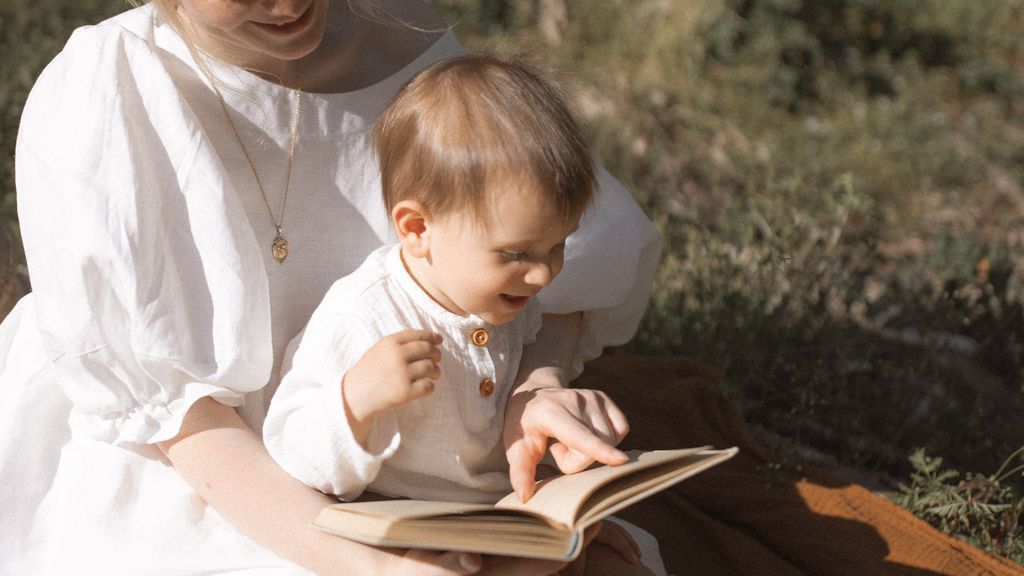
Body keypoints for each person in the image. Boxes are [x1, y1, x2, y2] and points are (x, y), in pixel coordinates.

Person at [0, 1, 662, 575]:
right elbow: (172, 419)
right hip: (202, 473)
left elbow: (555, 272)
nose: (289, 4)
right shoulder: (108, 97)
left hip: (425, 466)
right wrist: (372, 564)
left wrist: (534, 392)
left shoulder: (408, 44)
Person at [263, 54, 660, 575]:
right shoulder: (366, 315)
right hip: (399, 525)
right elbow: (292, 449)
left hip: (499, 514)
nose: (543, 276)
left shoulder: (507, 299)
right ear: (417, 228)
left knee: (624, 561)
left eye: (558, 246)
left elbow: (513, 411)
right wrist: (356, 399)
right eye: (517, 254)